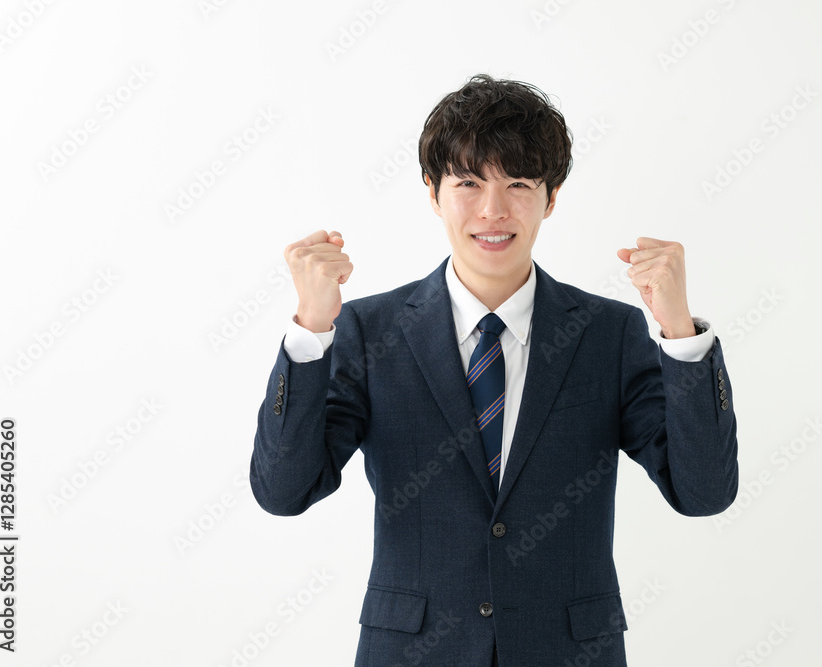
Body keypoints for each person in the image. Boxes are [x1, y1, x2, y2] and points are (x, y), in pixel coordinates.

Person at [250, 74, 738, 666]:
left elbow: (703, 492)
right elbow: (284, 491)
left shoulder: (606, 334)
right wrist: (310, 330)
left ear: (551, 198)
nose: (493, 210)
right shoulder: (369, 330)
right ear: (433, 192)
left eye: (519, 184)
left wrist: (680, 334)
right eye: (468, 182)